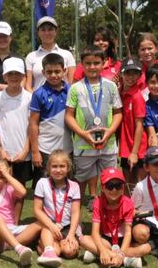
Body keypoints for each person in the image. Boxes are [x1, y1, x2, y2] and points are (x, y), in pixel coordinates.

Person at [65, 47, 123, 209]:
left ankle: (110, 218)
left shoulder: (111, 86)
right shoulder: (76, 88)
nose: (92, 67)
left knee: (111, 182)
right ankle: (74, 219)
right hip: (84, 146)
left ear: (103, 63)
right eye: (88, 63)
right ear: (81, 65)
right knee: (80, 182)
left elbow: (118, 113)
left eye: (96, 63)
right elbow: (69, 116)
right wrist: (83, 134)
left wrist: (110, 132)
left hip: (108, 144)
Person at [79, 167, 147, 268]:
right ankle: (127, 261)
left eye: (118, 186)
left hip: (124, 241)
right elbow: (95, 233)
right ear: (102, 188)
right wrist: (102, 250)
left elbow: (128, 233)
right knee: (82, 240)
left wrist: (121, 253)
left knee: (146, 248)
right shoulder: (98, 202)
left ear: (123, 188)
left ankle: (98, 255)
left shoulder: (128, 202)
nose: (114, 190)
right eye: (110, 186)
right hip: (106, 241)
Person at [0, 57, 32, 194]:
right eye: (10, 74)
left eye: (17, 73)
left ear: (23, 76)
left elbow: (32, 126)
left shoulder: (30, 98)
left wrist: (25, 150)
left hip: (22, 153)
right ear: (4, 76)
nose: (14, 77)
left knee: (19, 191)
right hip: (2, 152)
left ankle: (16, 217)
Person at [33, 150, 82, 268]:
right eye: (54, 166)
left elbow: (75, 213)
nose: (58, 170)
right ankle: (48, 247)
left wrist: (71, 234)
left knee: (69, 252)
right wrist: (51, 225)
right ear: (48, 168)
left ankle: (44, 245)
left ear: (68, 168)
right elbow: (37, 210)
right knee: (55, 252)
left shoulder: (74, 186)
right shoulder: (42, 183)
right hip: (49, 226)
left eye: (62, 166)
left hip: (67, 226)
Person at [29, 53, 73, 184]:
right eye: (49, 72)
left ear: (64, 70)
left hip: (68, 147)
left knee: (66, 185)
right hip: (45, 149)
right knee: (44, 186)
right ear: (43, 72)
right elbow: (33, 123)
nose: (53, 75)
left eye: (57, 71)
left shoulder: (72, 91)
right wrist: (35, 151)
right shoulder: (38, 94)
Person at [25, 16, 76, 90]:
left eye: (50, 29)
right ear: (38, 33)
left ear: (56, 32)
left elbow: (72, 83)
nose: (47, 33)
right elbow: (28, 86)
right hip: (39, 99)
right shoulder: (31, 57)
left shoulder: (67, 55)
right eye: (43, 30)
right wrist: (36, 99)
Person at [119, 58, 147, 188]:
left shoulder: (137, 96)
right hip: (125, 147)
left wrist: (134, 152)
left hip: (138, 148)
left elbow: (139, 125)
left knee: (140, 185)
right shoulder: (119, 93)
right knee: (128, 184)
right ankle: (129, 208)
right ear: (121, 74)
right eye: (127, 73)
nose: (131, 77)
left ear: (140, 75)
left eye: (134, 73)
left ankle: (142, 209)